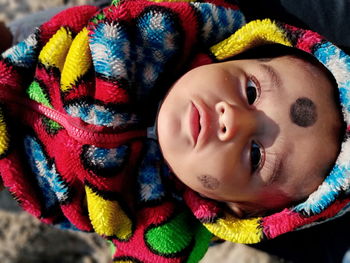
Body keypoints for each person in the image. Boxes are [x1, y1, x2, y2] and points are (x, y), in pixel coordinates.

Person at [0, 0, 349, 262]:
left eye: (255, 155)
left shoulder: (163, 230)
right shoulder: (169, 30)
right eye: (251, 92)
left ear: (239, 209)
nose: (233, 120)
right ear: (236, 52)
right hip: (30, 60)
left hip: (20, 174)